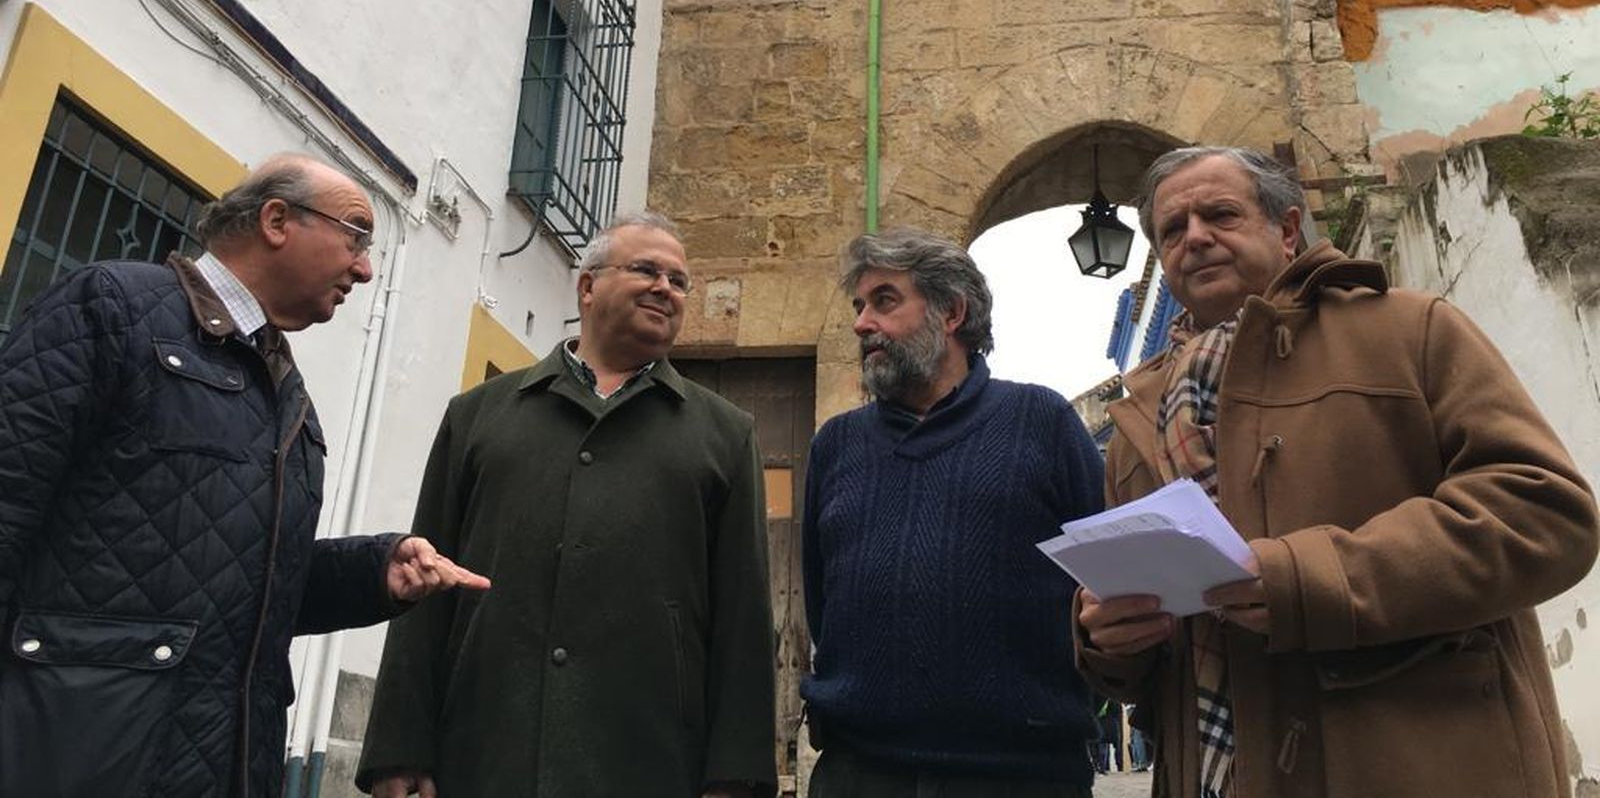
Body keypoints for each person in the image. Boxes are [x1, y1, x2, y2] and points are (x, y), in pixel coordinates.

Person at [1075, 145, 1600, 798]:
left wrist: (1306, 581)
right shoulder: (1135, 424)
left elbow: (1544, 513)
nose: (1196, 238)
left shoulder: (1408, 331)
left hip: (1416, 765)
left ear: (1287, 229)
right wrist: (1107, 640)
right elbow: (1156, 661)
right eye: (1173, 229)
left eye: (1220, 214)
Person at [0, 153, 487, 798]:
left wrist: (377, 569)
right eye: (356, 236)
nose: (366, 269)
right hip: (76, 756)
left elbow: (244, 584)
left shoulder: (285, 391)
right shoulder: (112, 308)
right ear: (277, 219)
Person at [357, 211, 777, 798]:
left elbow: (744, 619)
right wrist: (398, 747)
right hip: (484, 752)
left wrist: (735, 777)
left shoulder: (725, 435)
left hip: (649, 762)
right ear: (587, 286)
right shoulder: (478, 415)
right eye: (646, 270)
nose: (666, 288)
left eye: (679, 281)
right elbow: (425, 588)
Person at [802, 228, 1104, 798]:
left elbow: (1104, 580)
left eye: (885, 301)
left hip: (1023, 777)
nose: (862, 323)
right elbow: (823, 602)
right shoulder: (836, 444)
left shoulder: (1041, 421)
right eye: (859, 306)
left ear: (952, 313)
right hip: (858, 774)